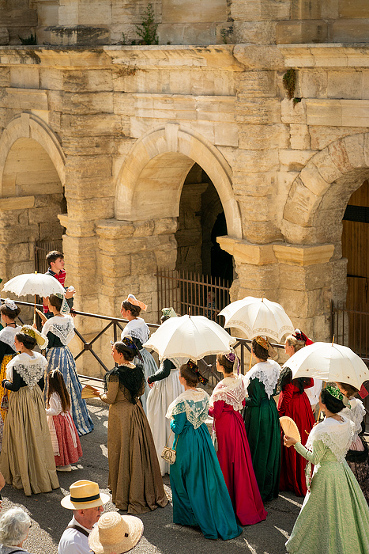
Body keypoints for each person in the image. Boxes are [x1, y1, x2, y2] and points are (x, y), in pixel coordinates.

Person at [284, 386, 369, 554]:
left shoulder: (322, 428)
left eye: (320, 399)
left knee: (315, 514)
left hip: (326, 475)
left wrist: (295, 443)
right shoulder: (345, 422)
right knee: (341, 515)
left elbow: (314, 458)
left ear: (323, 404)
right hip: (341, 470)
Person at [166, 360, 242, 540]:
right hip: (202, 438)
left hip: (187, 442)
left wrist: (171, 421)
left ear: (182, 379)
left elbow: (178, 428)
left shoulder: (181, 401)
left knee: (181, 477)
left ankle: (189, 516)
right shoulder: (202, 393)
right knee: (203, 477)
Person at [98, 338, 168, 514]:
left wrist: (100, 394)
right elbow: (141, 391)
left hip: (120, 415)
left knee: (120, 450)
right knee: (138, 450)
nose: (111, 353)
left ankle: (125, 493)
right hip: (136, 412)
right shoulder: (138, 370)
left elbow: (110, 398)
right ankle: (141, 488)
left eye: (113, 351)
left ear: (121, 355)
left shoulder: (115, 374)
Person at [0, 326, 59, 496]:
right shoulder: (40, 359)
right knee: (36, 433)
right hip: (35, 398)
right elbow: (41, 384)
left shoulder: (18, 361)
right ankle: (40, 472)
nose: (14, 343)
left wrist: (4, 383)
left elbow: (16, 387)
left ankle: (24, 472)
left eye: (16, 342)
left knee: (21, 434)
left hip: (21, 401)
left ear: (22, 345)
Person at [209, 352, 267, 525]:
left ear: (221, 365)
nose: (216, 364)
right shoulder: (239, 380)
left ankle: (227, 503)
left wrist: (208, 406)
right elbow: (241, 403)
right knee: (240, 463)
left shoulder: (221, 387)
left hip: (225, 426)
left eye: (217, 362)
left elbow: (216, 412)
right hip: (237, 423)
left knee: (225, 461)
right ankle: (243, 502)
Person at [41, 294, 93, 436]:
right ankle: (74, 419)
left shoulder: (50, 323)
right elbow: (65, 337)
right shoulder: (69, 319)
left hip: (54, 356)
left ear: (52, 305)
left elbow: (45, 343)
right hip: (66, 353)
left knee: (53, 384)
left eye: (49, 303)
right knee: (69, 383)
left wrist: (38, 330)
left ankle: (53, 420)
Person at [146, 307, 185, 476]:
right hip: (179, 383)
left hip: (168, 384)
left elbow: (165, 371)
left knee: (163, 418)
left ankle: (164, 460)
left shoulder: (167, 343)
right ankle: (176, 458)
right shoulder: (183, 340)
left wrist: (151, 378)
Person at [243, 336, 281, 501]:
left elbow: (255, 400)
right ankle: (269, 486)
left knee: (257, 448)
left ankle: (257, 489)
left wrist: (242, 399)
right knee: (270, 448)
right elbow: (275, 391)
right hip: (271, 409)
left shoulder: (255, 372)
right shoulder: (274, 366)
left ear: (253, 351)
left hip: (258, 414)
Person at [278, 335, 315, 497]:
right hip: (303, 405)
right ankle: (304, 478)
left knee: (292, 439)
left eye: (285, 345)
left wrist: (279, 412)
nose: (283, 348)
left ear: (291, 347)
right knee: (303, 439)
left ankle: (293, 481)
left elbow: (286, 395)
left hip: (293, 407)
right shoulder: (303, 363)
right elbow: (311, 383)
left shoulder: (289, 366)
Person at [120, 294, 158, 413]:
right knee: (149, 390)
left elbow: (131, 349)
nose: (121, 312)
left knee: (141, 391)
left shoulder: (129, 329)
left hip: (137, 361)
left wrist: (118, 347)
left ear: (128, 311)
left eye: (122, 310)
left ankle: (143, 416)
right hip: (146, 357)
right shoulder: (142, 323)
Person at [337, 381, 369, 504]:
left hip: (344, 444)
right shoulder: (359, 405)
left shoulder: (340, 406)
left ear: (343, 390)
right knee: (359, 477)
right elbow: (360, 427)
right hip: (357, 443)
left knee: (345, 477)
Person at [58, 480, 110, 554]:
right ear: (82, 512)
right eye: (97, 507)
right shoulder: (73, 543)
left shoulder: (93, 525)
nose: (102, 510)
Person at [46, 369, 83, 472]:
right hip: (66, 420)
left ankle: (62, 464)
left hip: (57, 421)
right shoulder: (64, 392)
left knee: (59, 441)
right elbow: (67, 408)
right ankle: (66, 463)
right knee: (66, 440)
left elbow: (54, 411)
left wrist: (43, 411)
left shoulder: (53, 395)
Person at [286, 330, 322, 417]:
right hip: (303, 400)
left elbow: (315, 382)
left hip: (304, 401)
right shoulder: (294, 362)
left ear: (292, 347)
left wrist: (313, 401)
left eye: (286, 345)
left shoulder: (305, 363)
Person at [0, 300, 21, 424]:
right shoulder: (20, 329)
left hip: (6, 365)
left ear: (5, 315)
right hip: (17, 362)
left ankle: (5, 422)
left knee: (4, 393)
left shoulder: (3, 334)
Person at [43, 251, 75, 316]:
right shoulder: (47, 278)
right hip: (50, 312)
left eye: (63, 260)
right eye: (60, 261)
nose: (63, 262)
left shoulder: (63, 273)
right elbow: (46, 301)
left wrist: (68, 306)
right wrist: (65, 296)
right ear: (52, 264)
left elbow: (61, 291)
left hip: (60, 310)